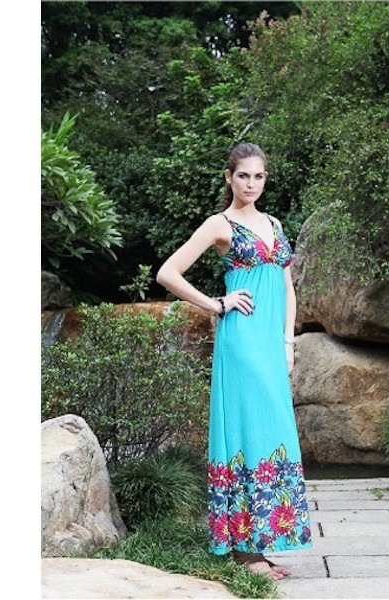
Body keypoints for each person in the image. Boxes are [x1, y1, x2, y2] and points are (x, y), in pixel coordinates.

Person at [156, 142, 313, 581]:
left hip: (271, 342)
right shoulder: (219, 224)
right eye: (243, 175)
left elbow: (287, 287)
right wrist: (217, 303)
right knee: (248, 430)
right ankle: (246, 552)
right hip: (242, 340)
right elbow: (167, 273)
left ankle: (260, 541)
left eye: (259, 176)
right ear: (229, 178)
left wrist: (288, 342)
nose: (251, 184)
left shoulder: (274, 223)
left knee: (273, 431)